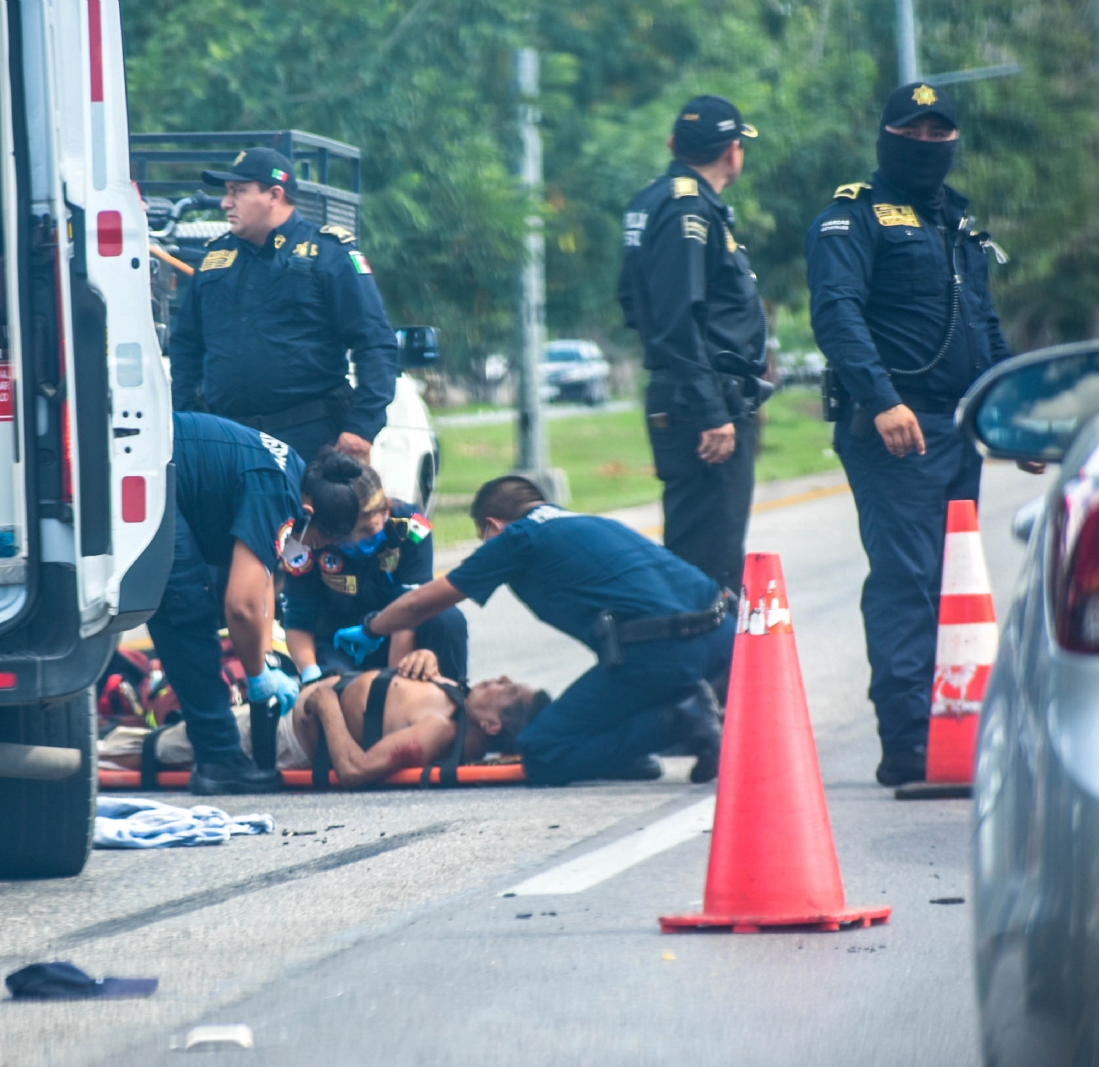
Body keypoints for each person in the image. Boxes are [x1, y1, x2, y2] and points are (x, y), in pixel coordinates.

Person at [806, 81, 1022, 786]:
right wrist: (880, 398)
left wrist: (1014, 412)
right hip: (896, 427)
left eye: (940, 134)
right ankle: (907, 740)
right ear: (886, 138)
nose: (928, 145)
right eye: (913, 132)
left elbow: (984, 328)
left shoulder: (957, 225)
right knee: (909, 582)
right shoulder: (853, 216)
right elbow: (837, 313)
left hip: (960, 426)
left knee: (956, 583)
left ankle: (954, 728)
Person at [334, 476, 731, 786]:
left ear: (492, 526)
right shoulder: (588, 522)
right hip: (726, 638)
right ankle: (652, 733)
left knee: (542, 751)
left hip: (664, 653)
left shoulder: (518, 538)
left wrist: (371, 628)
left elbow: (425, 600)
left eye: (483, 539)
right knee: (609, 701)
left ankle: (681, 719)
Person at [617, 95, 770, 596]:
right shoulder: (689, 207)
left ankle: (701, 669)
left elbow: (633, 301)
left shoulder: (653, 199)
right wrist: (711, 410)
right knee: (710, 566)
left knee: (698, 553)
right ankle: (706, 673)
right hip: (703, 401)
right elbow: (678, 318)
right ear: (733, 151)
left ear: (672, 145)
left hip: (687, 390)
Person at [167, 147, 400, 463]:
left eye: (238, 191)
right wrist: (188, 417)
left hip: (310, 437)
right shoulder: (215, 259)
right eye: (226, 192)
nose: (225, 202)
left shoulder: (329, 254)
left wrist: (362, 426)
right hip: (227, 439)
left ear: (274, 195)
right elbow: (186, 345)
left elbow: (375, 343)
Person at [112, 649, 544, 791]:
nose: (501, 679)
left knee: (158, 750)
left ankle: (87, 762)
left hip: (284, 737)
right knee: (166, 738)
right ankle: (96, 746)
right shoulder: (458, 703)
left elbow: (356, 771)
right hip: (288, 714)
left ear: (491, 727)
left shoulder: (440, 732)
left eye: (507, 691)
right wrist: (422, 656)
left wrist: (325, 703)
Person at [148, 411, 306, 795]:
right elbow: (241, 605)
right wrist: (256, 676)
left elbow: (262, 573)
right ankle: (218, 759)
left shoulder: (291, 470)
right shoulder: (278, 490)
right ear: (312, 517)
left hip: (150, 457)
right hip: (148, 468)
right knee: (185, 606)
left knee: (188, 600)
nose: (308, 557)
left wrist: (264, 653)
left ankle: (218, 752)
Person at [282, 448, 469, 684]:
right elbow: (298, 620)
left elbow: (411, 608)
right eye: (346, 535)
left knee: (446, 618)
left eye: (368, 530)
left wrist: (390, 687)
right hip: (339, 642)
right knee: (338, 690)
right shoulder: (308, 540)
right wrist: (311, 675)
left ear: (386, 511)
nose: (357, 543)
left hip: (399, 631)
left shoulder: (411, 528)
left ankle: (458, 702)